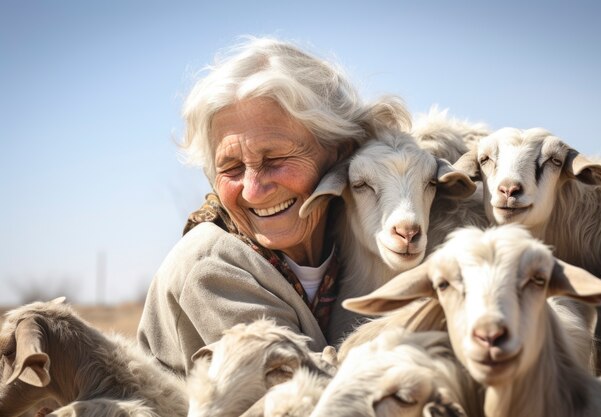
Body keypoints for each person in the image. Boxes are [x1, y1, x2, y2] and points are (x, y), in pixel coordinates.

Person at [137, 37, 406, 375]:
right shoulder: (210, 268)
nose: (253, 190)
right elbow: (304, 399)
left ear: (339, 151)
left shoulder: (368, 241)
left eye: (276, 158)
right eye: (231, 168)